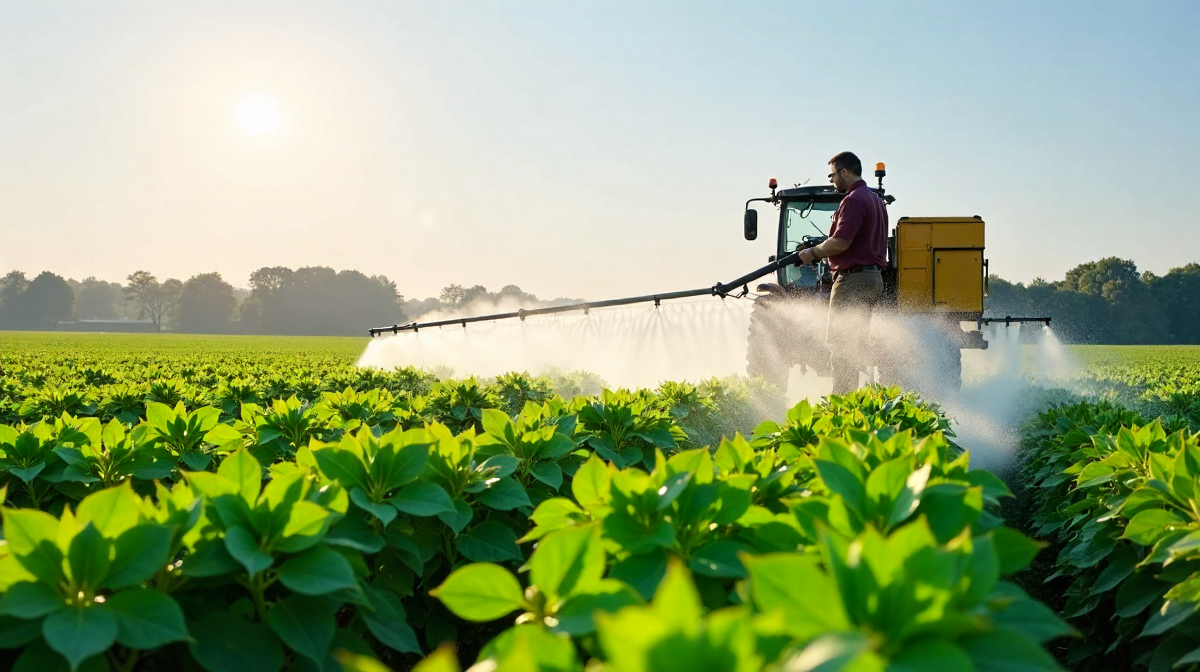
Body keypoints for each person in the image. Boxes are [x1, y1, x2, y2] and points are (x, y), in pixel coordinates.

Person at [795, 151, 888, 394]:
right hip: (871, 278)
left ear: (844, 172)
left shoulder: (854, 200)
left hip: (852, 279)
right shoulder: (876, 200)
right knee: (854, 341)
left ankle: (842, 401)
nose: (832, 181)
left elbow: (841, 242)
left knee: (841, 342)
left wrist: (813, 253)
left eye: (832, 175)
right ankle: (852, 398)